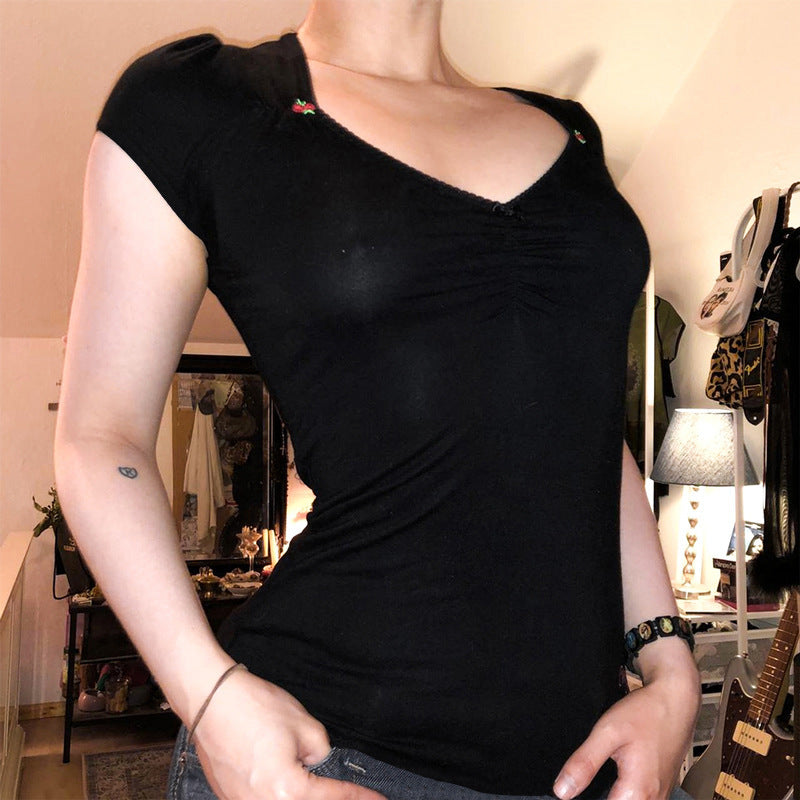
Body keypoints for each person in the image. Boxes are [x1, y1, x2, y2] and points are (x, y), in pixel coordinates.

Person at [53, 1, 702, 799]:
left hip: (596, 761)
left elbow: (589, 435)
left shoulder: (570, 135)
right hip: (341, 752)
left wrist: (671, 664)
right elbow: (100, 437)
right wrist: (211, 700)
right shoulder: (201, 103)